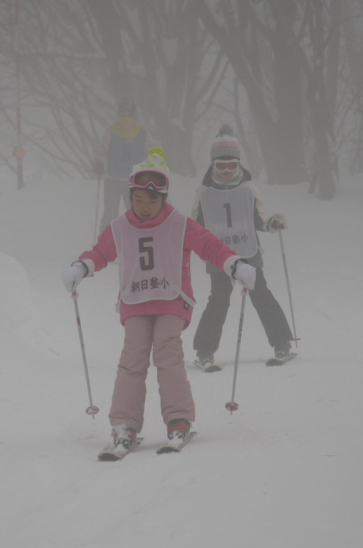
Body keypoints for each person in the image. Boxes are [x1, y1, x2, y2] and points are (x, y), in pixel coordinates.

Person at [62, 147, 258, 458]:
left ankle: (178, 419)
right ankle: (125, 425)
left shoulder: (179, 223)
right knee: (132, 358)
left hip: (171, 298)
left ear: (163, 198)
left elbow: (209, 245)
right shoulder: (121, 226)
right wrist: (81, 267)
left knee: (167, 351)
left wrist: (235, 264)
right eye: (138, 199)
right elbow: (100, 252)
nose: (144, 207)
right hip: (136, 301)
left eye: (152, 200)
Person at [190, 125, 295, 371]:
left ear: (239, 164)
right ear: (213, 165)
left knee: (261, 295)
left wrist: (273, 224)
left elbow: (259, 221)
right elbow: (196, 226)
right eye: (221, 166)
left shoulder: (249, 189)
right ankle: (204, 352)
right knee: (218, 300)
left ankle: (282, 344)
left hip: (247, 252)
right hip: (218, 256)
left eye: (231, 166)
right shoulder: (204, 193)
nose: (226, 171)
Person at [91, 97, 152, 234]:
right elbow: (150, 152)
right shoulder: (142, 132)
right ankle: (139, 240)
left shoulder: (111, 131)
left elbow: (101, 149)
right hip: (135, 180)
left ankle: (105, 242)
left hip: (112, 177)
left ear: (119, 113)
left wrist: (97, 163)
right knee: (137, 214)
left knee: (110, 214)